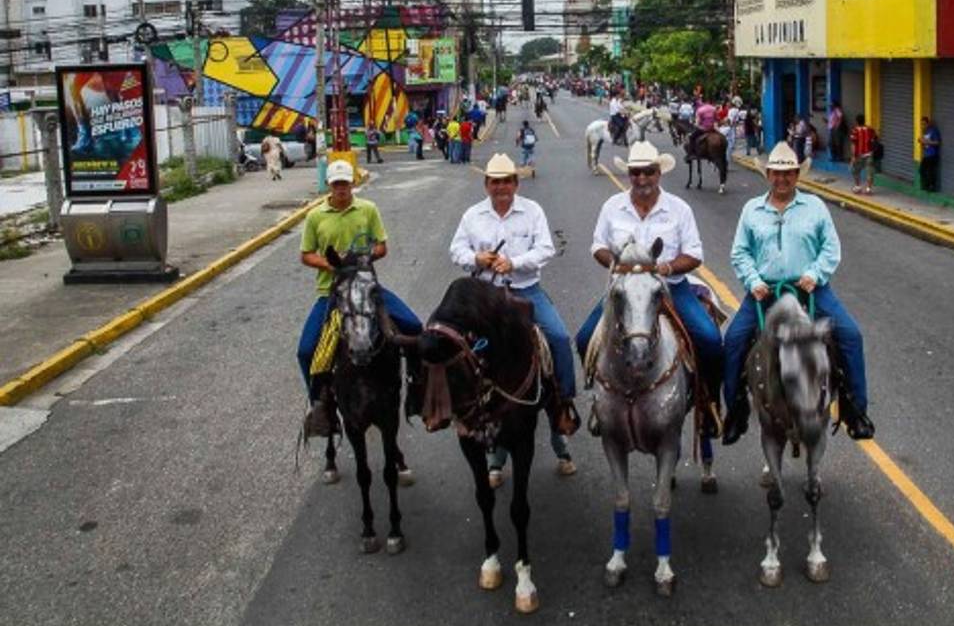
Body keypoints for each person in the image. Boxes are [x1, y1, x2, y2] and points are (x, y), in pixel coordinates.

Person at [720, 142, 874, 445]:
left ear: (797, 175)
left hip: (809, 291)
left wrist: (814, 274)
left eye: (788, 173)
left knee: (851, 335)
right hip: (764, 292)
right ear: (767, 175)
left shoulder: (815, 207)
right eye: (776, 173)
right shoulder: (751, 209)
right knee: (734, 340)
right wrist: (753, 281)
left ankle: (856, 411)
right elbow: (740, 252)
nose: (782, 179)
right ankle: (736, 412)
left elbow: (830, 247)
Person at [574, 141, 723, 430]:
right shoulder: (612, 207)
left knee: (710, 340)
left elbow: (694, 254)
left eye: (648, 172)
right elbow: (598, 246)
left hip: (669, 289)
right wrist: (617, 264)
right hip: (624, 291)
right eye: (636, 172)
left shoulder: (679, 209)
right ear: (629, 174)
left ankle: (709, 402)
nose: (642, 178)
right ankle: (598, 399)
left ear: (659, 173)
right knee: (583, 338)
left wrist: (665, 268)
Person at [449, 153, 581, 462]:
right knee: (449, 344)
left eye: (506, 181)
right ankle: (451, 407)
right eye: (495, 182)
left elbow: (545, 249)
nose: (501, 187)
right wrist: (476, 258)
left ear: (516, 184)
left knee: (559, 338)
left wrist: (515, 263)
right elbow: (456, 249)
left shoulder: (532, 211)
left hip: (525, 291)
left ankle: (563, 402)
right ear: (486, 185)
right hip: (485, 296)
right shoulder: (472, 215)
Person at [297, 159, 423, 437]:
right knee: (306, 351)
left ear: (353, 183)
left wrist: (361, 258)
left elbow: (382, 246)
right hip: (331, 292)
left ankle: (417, 388)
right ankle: (321, 407)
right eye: (336, 184)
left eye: (345, 183)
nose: (341, 188)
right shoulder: (316, 216)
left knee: (414, 326)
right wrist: (332, 264)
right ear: (329, 185)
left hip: (367, 287)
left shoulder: (368, 209)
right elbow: (306, 255)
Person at [849, 115, 877, 194]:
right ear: (864, 121)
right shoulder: (870, 130)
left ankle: (858, 187)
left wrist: (853, 156)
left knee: (855, 170)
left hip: (859, 155)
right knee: (869, 172)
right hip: (869, 154)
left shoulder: (854, 131)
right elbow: (874, 140)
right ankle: (868, 189)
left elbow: (853, 144)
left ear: (857, 121)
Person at [920, 116, 941, 192]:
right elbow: (924, 142)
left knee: (931, 172)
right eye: (922, 124)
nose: (923, 125)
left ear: (928, 123)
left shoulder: (933, 131)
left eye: (924, 124)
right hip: (926, 154)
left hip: (932, 155)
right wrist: (921, 141)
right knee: (922, 170)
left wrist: (927, 142)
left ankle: (932, 187)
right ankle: (926, 185)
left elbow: (937, 142)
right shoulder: (924, 131)